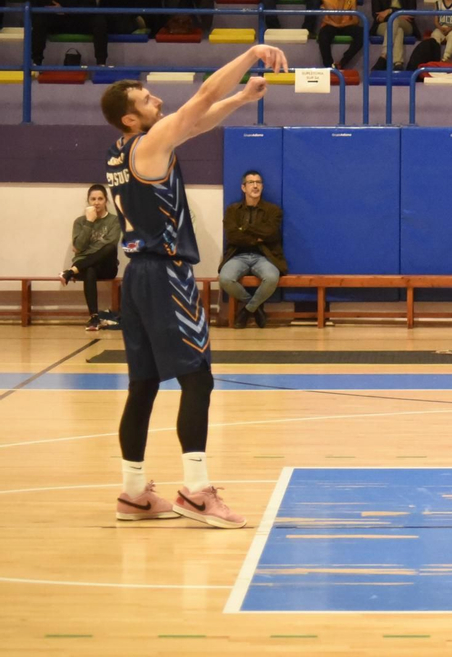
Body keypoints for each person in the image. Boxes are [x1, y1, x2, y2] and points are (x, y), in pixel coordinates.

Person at [100, 43, 290, 528]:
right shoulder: (149, 143)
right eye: (145, 100)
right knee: (197, 378)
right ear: (129, 118)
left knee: (142, 383)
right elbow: (201, 97)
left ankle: (134, 492)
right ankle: (197, 491)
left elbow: (199, 119)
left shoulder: (124, 151)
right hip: (165, 274)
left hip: (136, 276)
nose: (156, 102)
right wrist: (250, 54)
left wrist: (243, 99)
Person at [220, 170, 286, 329]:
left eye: (258, 182)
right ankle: (255, 308)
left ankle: (247, 310)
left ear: (262, 187)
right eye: (251, 182)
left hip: (264, 256)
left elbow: (271, 233)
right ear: (243, 187)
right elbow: (232, 236)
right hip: (238, 255)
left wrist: (245, 229)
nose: (255, 186)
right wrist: (256, 235)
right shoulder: (233, 210)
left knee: (271, 277)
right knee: (225, 279)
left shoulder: (273, 210)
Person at [61, 183, 122, 333]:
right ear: (88, 201)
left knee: (109, 248)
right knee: (90, 269)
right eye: (93, 199)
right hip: (86, 267)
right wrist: (89, 222)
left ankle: (70, 271)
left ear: (106, 200)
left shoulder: (114, 221)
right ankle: (94, 317)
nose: (96, 202)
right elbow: (79, 246)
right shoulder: (80, 222)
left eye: (100, 199)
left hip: (107, 266)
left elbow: (110, 244)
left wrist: (87, 252)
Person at [371, 0, 418, 69]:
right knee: (398, 30)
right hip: (383, 25)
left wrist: (390, 11)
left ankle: (384, 55)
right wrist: (397, 14)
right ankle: (398, 63)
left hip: (407, 24)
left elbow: (411, 12)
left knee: (394, 20)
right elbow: (376, 14)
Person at [316, 0, 364, 69]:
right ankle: (329, 65)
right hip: (331, 26)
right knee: (323, 35)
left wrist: (341, 25)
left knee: (362, 33)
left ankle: (343, 62)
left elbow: (356, 20)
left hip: (346, 25)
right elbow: (336, 19)